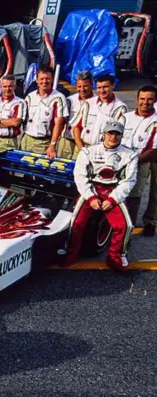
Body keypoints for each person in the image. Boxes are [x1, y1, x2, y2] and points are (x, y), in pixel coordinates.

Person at [62, 121, 138, 272]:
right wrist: (90, 197)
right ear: (104, 134)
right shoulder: (88, 152)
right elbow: (80, 176)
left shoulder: (130, 155)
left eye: (117, 134)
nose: (113, 136)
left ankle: (115, 257)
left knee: (125, 226)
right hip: (92, 188)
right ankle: (71, 253)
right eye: (110, 133)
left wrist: (112, 199)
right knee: (75, 222)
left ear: (122, 135)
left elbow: (129, 181)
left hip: (114, 190)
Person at [122, 85, 157, 237]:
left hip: (149, 157)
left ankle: (150, 222)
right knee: (128, 191)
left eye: (150, 99)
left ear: (155, 100)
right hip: (128, 159)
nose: (145, 102)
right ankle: (125, 223)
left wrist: (134, 161)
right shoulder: (126, 117)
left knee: (153, 192)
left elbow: (154, 149)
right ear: (137, 99)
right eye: (142, 98)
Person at [0, 74, 26, 181]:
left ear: (15, 87)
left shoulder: (20, 102)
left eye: (10, 86)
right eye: (5, 86)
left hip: (9, 140)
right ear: (1, 87)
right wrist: (7, 122)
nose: (7, 89)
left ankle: (5, 192)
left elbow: (16, 122)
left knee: (6, 170)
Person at [72, 74, 128, 150]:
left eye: (105, 87)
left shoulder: (120, 107)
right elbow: (76, 127)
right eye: (99, 87)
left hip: (104, 150)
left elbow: (120, 134)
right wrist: (81, 148)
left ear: (113, 86)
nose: (102, 91)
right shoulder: (88, 103)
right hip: (83, 147)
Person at [21, 67, 68, 158]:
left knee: (38, 171)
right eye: (42, 79)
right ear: (37, 80)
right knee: (24, 170)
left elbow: (59, 124)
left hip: (44, 143)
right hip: (26, 140)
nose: (44, 81)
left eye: (47, 79)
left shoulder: (59, 98)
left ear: (52, 79)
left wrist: (52, 145)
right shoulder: (30, 96)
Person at [60, 71, 93, 159]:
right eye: (79, 86)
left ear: (91, 85)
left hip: (84, 143)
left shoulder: (97, 102)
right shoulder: (69, 100)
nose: (82, 89)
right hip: (67, 141)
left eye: (85, 86)